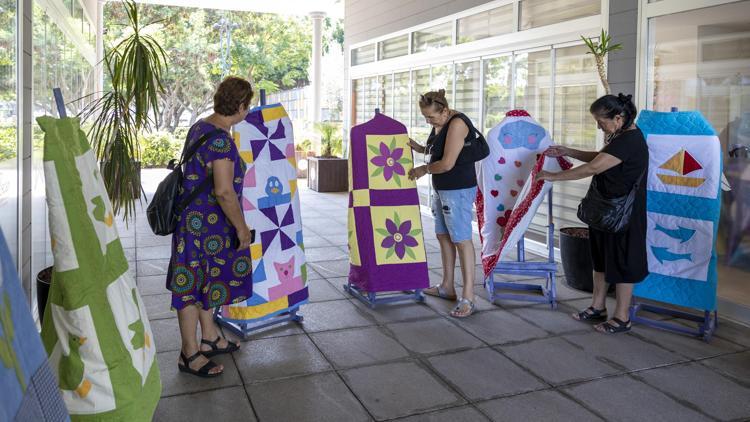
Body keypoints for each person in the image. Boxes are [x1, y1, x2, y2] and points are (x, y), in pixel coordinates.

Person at [537, 93, 648, 334]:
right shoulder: (619, 136)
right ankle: (598, 307)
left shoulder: (631, 140)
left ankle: (622, 317)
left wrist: (553, 176)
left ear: (618, 118)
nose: (598, 126)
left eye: (601, 121)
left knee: (622, 264)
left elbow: (594, 167)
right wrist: (568, 151)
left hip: (623, 214)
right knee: (600, 261)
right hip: (605, 210)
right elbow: (601, 157)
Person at [167, 76, 255, 377]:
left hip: (197, 225)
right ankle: (188, 354)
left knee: (204, 281)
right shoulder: (221, 141)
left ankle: (209, 337)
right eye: (247, 107)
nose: (247, 112)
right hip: (203, 227)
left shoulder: (201, 127)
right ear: (241, 107)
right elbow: (224, 191)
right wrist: (242, 229)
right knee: (190, 287)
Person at [408, 89, 479, 318]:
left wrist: (423, 169)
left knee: (461, 239)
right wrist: (418, 148)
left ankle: (468, 297)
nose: (429, 121)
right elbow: (438, 150)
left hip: (457, 189)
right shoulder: (441, 122)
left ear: (445, 110)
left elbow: (447, 163)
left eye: (431, 117)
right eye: (426, 117)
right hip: (443, 189)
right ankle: (447, 286)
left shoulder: (457, 123)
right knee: (443, 235)